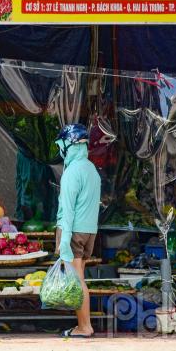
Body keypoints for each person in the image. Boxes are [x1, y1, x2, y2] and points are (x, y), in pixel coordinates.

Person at [54, 123, 101, 338]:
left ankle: (84, 326)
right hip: (89, 230)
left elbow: (68, 210)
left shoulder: (72, 171)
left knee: (77, 279)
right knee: (79, 277)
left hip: (74, 230)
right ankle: (83, 325)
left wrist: (64, 242)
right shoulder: (91, 169)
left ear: (68, 144)